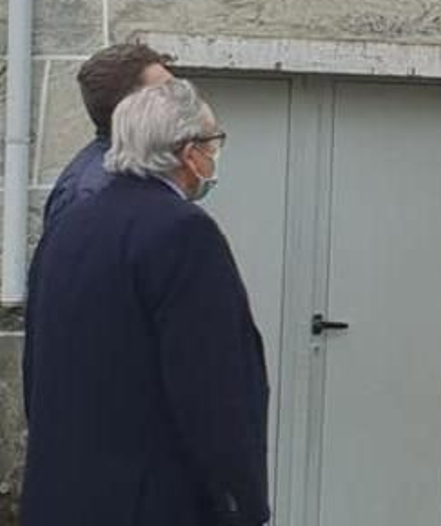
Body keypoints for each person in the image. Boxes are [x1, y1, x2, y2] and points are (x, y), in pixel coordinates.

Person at [22, 79, 269, 526]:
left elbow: (36, 356)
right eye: (213, 142)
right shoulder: (184, 233)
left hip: (63, 495)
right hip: (152, 499)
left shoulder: (74, 221)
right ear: (189, 152)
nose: (214, 155)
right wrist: (242, 501)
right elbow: (212, 388)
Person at [42, 42, 174, 226]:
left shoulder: (143, 167)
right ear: (130, 106)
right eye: (166, 91)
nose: (181, 101)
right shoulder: (94, 192)